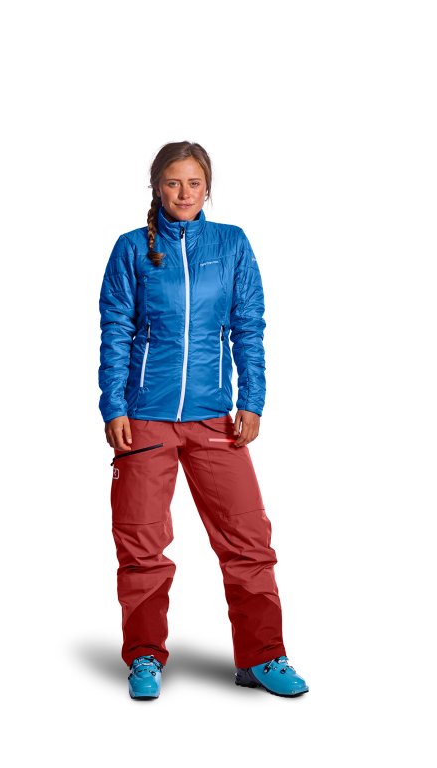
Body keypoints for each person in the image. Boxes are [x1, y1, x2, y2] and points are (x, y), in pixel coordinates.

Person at [98, 141, 308, 701]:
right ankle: (145, 655)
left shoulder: (231, 244)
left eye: (194, 183)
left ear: (207, 187)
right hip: (145, 419)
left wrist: (252, 399)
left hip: (216, 418)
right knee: (141, 545)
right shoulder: (131, 249)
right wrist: (113, 406)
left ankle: (262, 656)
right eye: (173, 182)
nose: (184, 193)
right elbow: (116, 330)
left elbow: (248, 324)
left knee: (248, 540)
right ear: (157, 188)